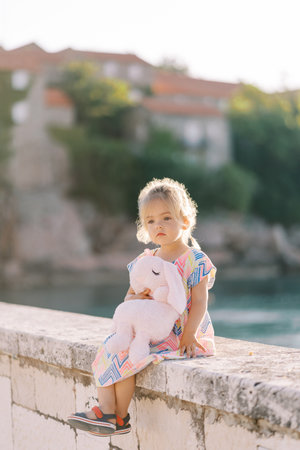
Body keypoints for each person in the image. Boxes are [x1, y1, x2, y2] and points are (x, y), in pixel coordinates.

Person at [68, 177, 216, 437]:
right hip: (147, 330)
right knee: (112, 349)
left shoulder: (194, 259)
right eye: (150, 221)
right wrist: (139, 298)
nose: (158, 225)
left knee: (128, 359)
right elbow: (130, 299)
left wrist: (190, 334)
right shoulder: (146, 260)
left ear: (184, 220)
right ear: (144, 227)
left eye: (166, 218)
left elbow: (200, 302)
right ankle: (108, 412)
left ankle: (119, 416)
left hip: (178, 334)